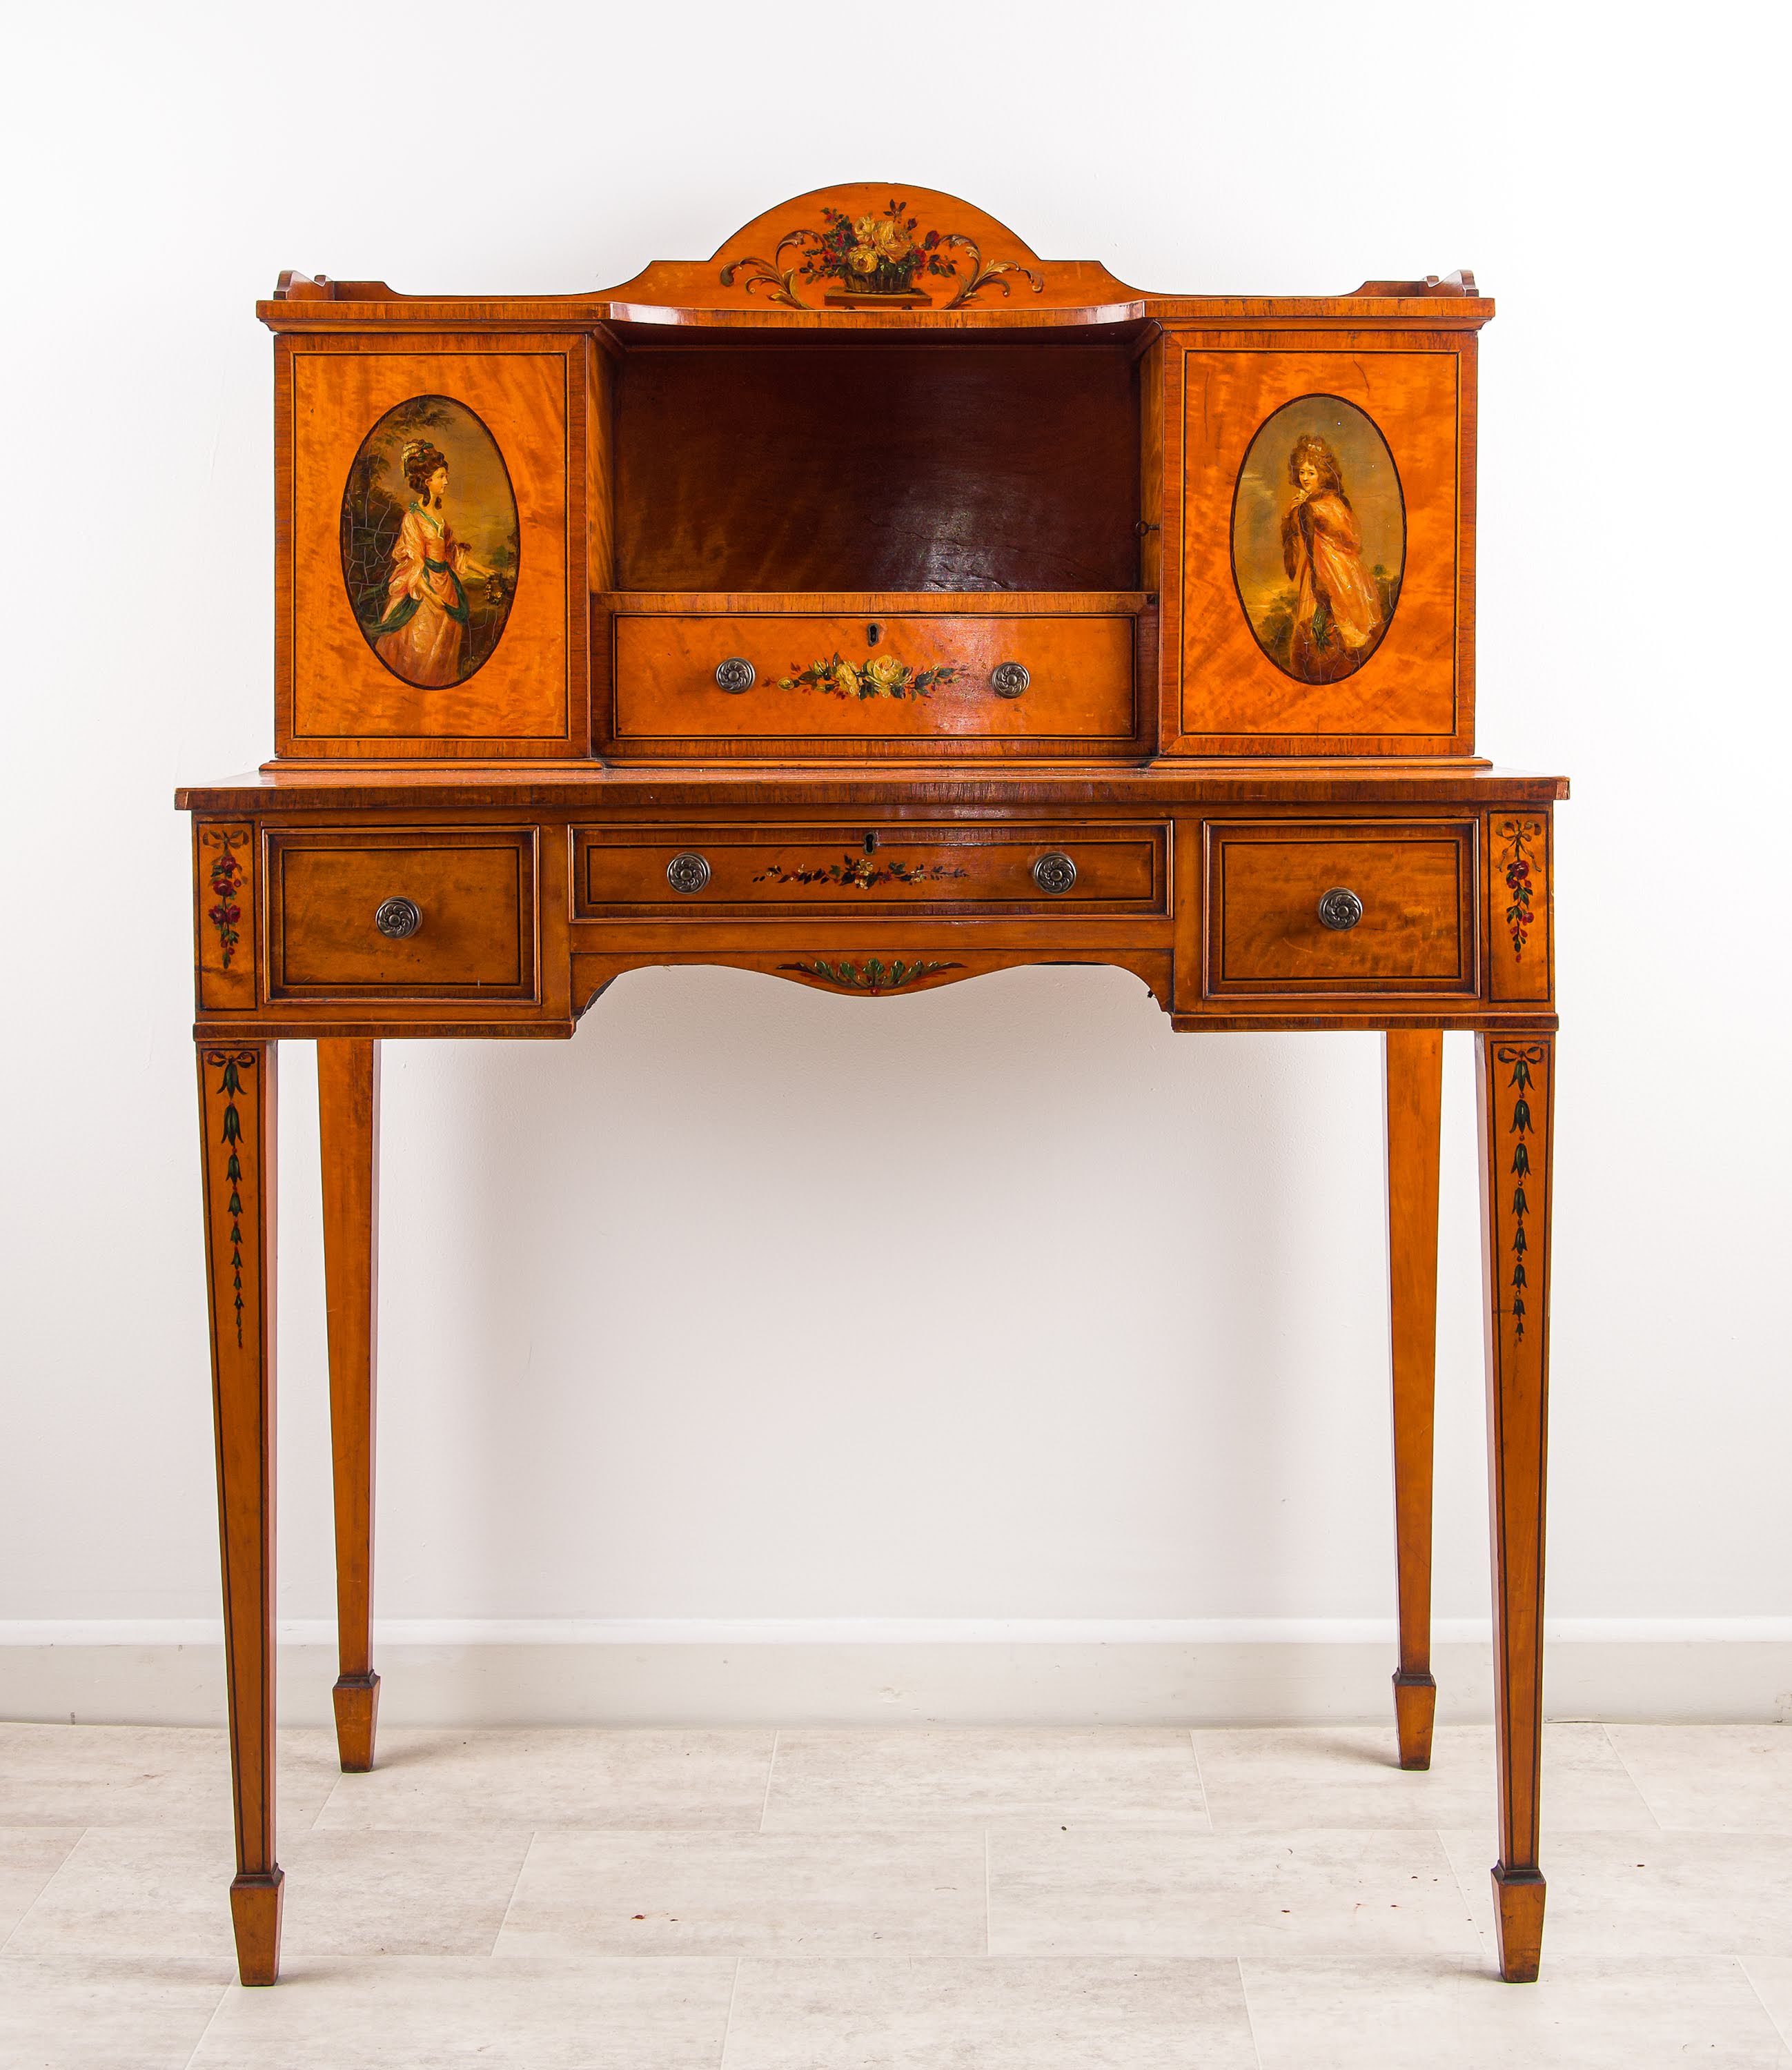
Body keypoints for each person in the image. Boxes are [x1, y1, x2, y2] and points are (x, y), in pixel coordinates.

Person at [368, 440, 493, 686]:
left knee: (443, 656)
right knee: (418, 650)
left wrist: (485, 571)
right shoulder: (412, 519)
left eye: (445, 476)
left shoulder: (440, 519)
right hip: (423, 595)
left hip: (448, 591)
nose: (446, 481)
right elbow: (414, 563)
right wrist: (431, 596)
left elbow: (453, 555)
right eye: (441, 476)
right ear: (427, 482)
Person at [1280, 434, 1384, 682]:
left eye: (1311, 473)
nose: (1305, 478)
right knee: (1331, 627)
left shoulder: (1320, 505)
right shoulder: (1319, 502)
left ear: (1323, 474)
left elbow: (1345, 539)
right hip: (1332, 568)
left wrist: (1305, 512)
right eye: (1302, 472)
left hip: (1332, 569)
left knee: (1337, 624)